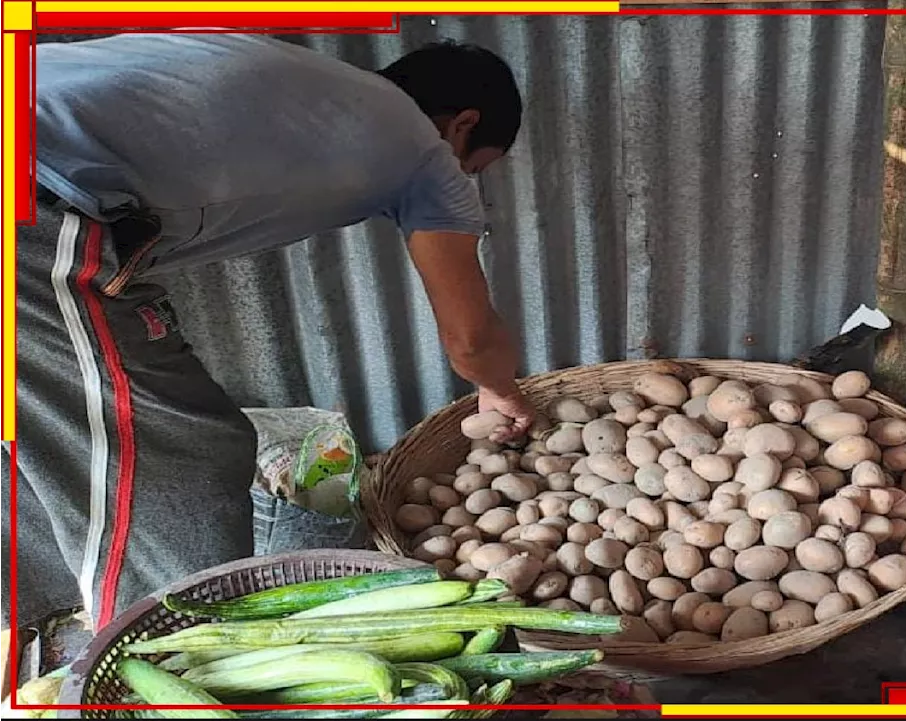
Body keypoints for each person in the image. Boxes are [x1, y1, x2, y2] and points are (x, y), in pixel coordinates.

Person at [2, 33, 536, 633]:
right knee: (180, 450)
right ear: (462, 124)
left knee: (34, 430)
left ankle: (29, 613)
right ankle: (157, 664)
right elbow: (469, 337)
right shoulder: (423, 151)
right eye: (474, 165)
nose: (463, 177)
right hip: (27, 193)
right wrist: (502, 393)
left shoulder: (313, 86)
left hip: (34, 163)